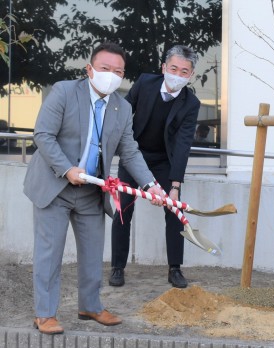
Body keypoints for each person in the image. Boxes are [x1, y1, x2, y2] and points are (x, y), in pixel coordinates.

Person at [23, 42, 165, 335]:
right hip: (55, 185)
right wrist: (67, 169)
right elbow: (43, 135)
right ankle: (45, 314)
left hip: (92, 190)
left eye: (118, 71)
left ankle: (90, 305)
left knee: (92, 253)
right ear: (89, 69)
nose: (111, 75)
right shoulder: (64, 91)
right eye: (104, 68)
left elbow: (130, 151)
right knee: (50, 253)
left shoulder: (122, 108)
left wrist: (152, 186)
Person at [109, 45, 200, 289]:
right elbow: (123, 113)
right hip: (133, 155)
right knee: (123, 210)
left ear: (190, 76)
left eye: (184, 71)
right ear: (163, 67)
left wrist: (175, 186)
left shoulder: (191, 103)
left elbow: (183, 145)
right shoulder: (145, 83)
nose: (177, 75)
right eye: (173, 69)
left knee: (174, 213)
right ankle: (117, 266)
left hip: (164, 161)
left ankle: (175, 268)